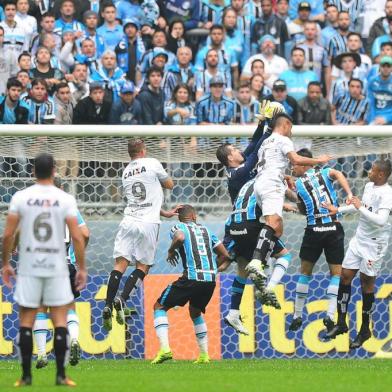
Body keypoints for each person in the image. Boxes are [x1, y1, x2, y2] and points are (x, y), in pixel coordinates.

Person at [1, 153, 86, 386]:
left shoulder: (21, 197)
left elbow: (8, 233)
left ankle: (26, 376)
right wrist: (82, 267)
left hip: (30, 267)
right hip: (58, 266)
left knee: (27, 319)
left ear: (32, 173)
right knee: (60, 318)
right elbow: (78, 236)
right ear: (54, 172)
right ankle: (61, 375)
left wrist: (6, 263)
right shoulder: (65, 198)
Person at [246, 113, 332, 292]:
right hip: (272, 185)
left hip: (260, 184)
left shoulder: (266, 142)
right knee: (273, 223)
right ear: (285, 124)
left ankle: (262, 264)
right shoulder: (283, 140)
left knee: (277, 229)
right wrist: (318, 161)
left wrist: (284, 175)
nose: (291, 132)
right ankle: (257, 262)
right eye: (291, 127)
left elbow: (269, 164)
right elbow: (295, 159)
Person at [102, 138, 176, 331]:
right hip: (148, 223)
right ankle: (122, 299)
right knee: (143, 266)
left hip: (129, 220)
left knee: (120, 264)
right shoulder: (152, 163)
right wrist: (163, 182)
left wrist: (163, 210)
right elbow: (169, 184)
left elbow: (142, 199)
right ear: (143, 151)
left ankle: (108, 304)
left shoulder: (126, 172)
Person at [324, 160, 392, 349]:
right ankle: (341, 322)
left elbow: (381, 220)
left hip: (374, 245)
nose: (369, 171)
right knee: (344, 276)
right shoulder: (369, 186)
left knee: (366, 283)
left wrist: (360, 206)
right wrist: (338, 210)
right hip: (359, 239)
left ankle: (364, 329)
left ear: (381, 174)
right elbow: (358, 205)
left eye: (373, 170)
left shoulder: (387, 194)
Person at [151, 204, 230, 364]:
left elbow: (180, 237)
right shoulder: (207, 231)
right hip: (209, 280)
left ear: (181, 217)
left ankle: (165, 349)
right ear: (194, 216)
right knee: (195, 312)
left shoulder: (178, 226)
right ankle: (204, 355)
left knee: (159, 307)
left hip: (191, 278)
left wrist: (171, 250)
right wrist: (214, 269)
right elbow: (225, 255)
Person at [288, 148, 352, 333]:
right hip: (332, 228)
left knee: (305, 273)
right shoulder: (324, 173)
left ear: (303, 163)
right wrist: (348, 194)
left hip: (313, 230)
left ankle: (297, 315)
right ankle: (330, 315)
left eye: (295, 164)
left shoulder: (299, 185)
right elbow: (338, 172)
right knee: (336, 274)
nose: (293, 168)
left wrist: (289, 194)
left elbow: (302, 210)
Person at [32, 176, 89, 369]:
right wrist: (79, 253)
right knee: (69, 307)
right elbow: (85, 233)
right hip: (66, 264)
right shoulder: (69, 208)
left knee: (40, 308)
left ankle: (41, 355)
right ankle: (73, 339)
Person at [224, 179, 294, 334]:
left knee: (242, 268)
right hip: (250, 226)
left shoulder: (248, 182)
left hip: (234, 226)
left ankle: (233, 313)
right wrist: (291, 192)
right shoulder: (272, 180)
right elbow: (289, 197)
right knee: (284, 256)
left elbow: (256, 200)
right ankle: (267, 288)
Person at [215, 101, 284, 203]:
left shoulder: (239, 161)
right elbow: (256, 152)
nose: (238, 150)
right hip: (244, 211)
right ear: (230, 157)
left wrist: (261, 122)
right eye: (234, 150)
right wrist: (270, 127)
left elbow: (254, 143)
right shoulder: (237, 173)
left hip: (255, 203)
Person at [115, 19, 145, 84]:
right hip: (124, 76)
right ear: (124, 30)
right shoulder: (119, 46)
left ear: (137, 29)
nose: (130, 30)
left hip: (140, 76)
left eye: (132, 27)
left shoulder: (144, 45)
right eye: (127, 27)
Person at [367, 56, 392, 125]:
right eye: (383, 66)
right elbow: (370, 103)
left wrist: (387, 118)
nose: (386, 68)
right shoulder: (372, 81)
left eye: (388, 66)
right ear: (379, 67)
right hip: (375, 117)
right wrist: (373, 119)